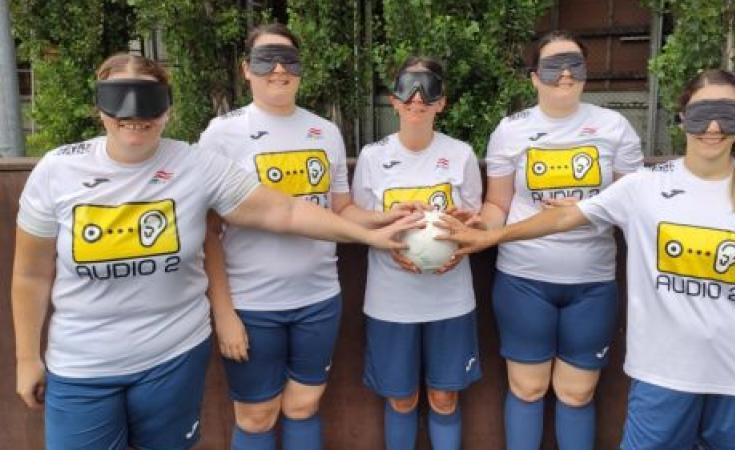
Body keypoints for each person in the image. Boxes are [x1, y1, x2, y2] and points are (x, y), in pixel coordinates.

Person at [12, 53, 418, 450]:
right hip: (83, 367)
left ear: (168, 109)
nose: (134, 116)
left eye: (149, 101)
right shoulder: (57, 170)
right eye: (118, 99)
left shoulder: (196, 165)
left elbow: (287, 210)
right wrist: (27, 357)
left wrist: (370, 234)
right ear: (99, 106)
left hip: (172, 355)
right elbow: (30, 274)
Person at [440, 68, 735, 449]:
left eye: (727, 113)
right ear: (681, 119)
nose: (712, 126)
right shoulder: (643, 187)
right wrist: (491, 236)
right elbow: (563, 216)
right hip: (662, 375)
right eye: (701, 112)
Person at [198, 23, 411, 450]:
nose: (278, 69)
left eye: (289, 60)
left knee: (304, 406)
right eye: (265, 60)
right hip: (252, 302)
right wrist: (223, 312)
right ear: (246, 70)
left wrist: (386, 219)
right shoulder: (221, 133)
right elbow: (207, 231)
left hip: (317, 298)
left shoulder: (325, 131)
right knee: (256, 417)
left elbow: (341, 211)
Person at [472, 30, 642, 449]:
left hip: (592, 281)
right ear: (534, 77)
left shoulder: (614, 126)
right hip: (524, 278)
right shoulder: (510, 131)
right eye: (552, 66)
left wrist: (588, 207)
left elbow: (634, 206)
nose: (565, 74)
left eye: (575, 64)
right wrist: (470, 232)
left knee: (577, 392)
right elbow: (497, 206)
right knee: (527, 388)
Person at [351, 56, 483, 450]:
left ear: (442, 102)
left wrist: (462, 242)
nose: (417, 99)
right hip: (391, 300)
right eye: (407, 89)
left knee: (444, 399)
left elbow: (475, 221)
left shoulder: (461, 154)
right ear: (393, 99)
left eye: (428, 89)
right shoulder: (373, 157)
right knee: (402, 398)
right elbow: (356, 218)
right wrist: (388, 230)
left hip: (450, 298)